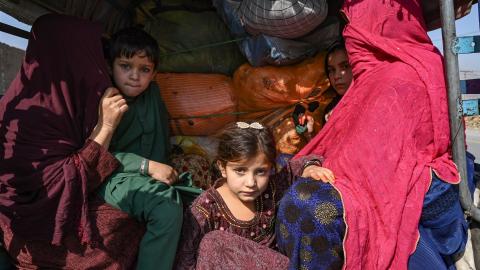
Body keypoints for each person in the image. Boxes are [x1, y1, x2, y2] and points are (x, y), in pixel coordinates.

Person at [276, 0, 468, 269]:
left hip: (384, 200)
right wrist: (311, 162)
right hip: (369, 193)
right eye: (332, 71)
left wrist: (320, 171)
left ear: (372, 25)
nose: (349, 34)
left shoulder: (395, 79)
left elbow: (375, 168)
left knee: (305, 204)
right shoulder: (376, 83)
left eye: (353, 24)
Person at [0, 14, 145, 269]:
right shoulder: (25, 117)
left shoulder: (63, 98)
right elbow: (62, 186)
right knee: (125, 225)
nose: (98, 66)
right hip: (33, 235)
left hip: (46, 218)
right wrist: (106, 126)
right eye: (92, 57)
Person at [96, 27, 201, 270]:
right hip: (114, 177)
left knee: (202, 201)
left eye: (144, 70)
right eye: (126, 66)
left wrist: (160, 168)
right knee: (165, 205)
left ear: (154, 74)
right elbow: (96, 154)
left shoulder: (153, 93)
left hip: (152, 174)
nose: (135, 76)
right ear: (111, 66)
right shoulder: (106, 99)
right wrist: (147, 166)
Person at [174, 121, 334, 269]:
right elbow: (184, 261)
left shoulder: (270, 188)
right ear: (222, 167)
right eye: (240, 171)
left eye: (260, 172)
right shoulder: (204, 210)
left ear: (271, 168)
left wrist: (309, 168)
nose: (250, 182)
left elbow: (296, 166)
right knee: (212, 243)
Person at [323, 43, 353, 122]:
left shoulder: (372, 99)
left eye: (345, 66)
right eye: (331, 70)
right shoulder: (329, 112)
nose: (336, 76)